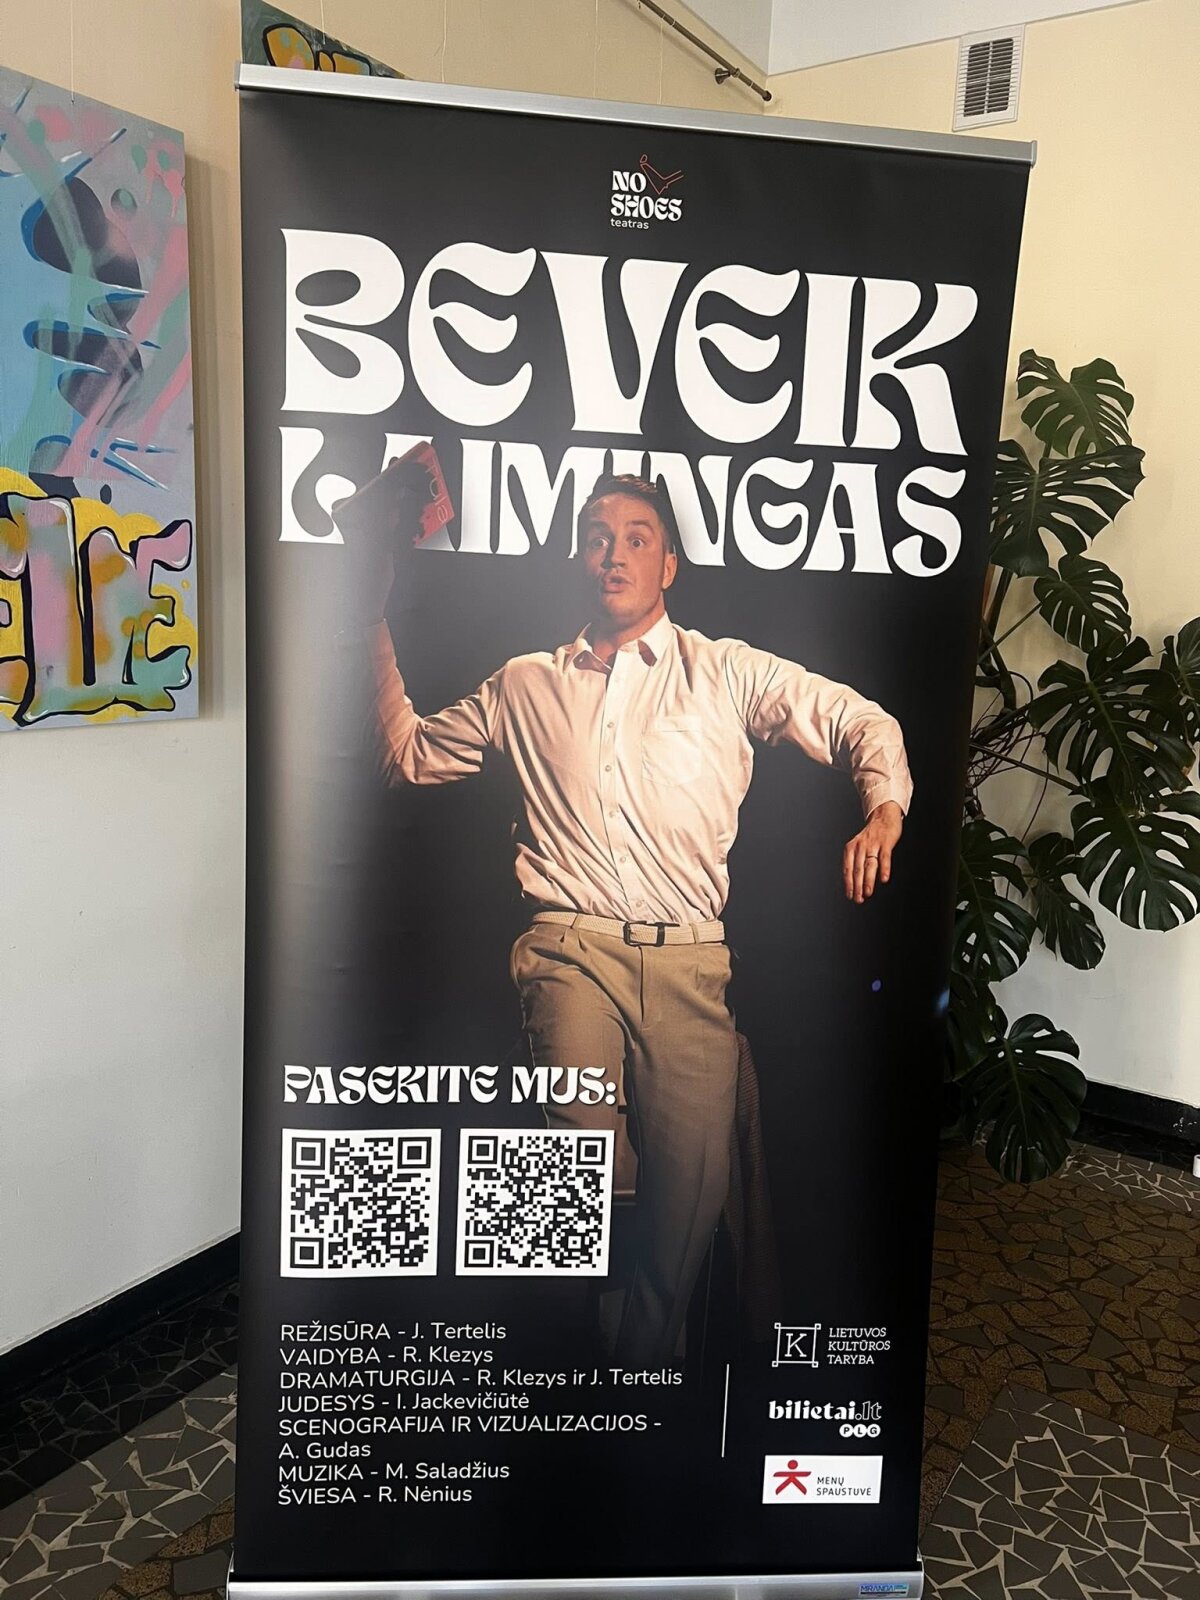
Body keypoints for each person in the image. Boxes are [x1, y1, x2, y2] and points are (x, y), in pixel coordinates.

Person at [357, 471, 912, 1364]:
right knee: (596, 1183)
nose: (614, 553)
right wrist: (366, 619)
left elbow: (857, 719)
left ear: (668, 564)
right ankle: (600, 1363)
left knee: (689, 1209)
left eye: (637, 537)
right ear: (579, 559)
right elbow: (408, 756)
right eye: (597, 537)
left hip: (692, 967)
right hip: (568, 951)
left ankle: (635, 1385)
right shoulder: (525, 683)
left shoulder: (726, 672)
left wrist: (883, 807)